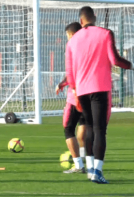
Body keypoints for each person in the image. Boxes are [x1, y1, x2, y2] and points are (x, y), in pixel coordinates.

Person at [65, 6, 133, 184]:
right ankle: (98, 171)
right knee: (100, 129)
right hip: (100, 88)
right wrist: (130, 65)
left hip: (81, 90)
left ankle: (89, 170)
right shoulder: (105, 33)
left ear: (81, 21)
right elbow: (115, 60)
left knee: (88, 126)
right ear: (94, 17)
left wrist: (74, 88)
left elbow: (70, 71)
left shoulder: (72, 40)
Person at [56, 22, 86, 174]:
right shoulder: (89, 48)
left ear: (72, 35)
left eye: (68, 36)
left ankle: (79, 165)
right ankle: (89, 160)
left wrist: (63, 83)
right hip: (91, 96)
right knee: (83, 129)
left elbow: (72, 73)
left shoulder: (72, 49)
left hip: (75, 97)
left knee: (68, 129)